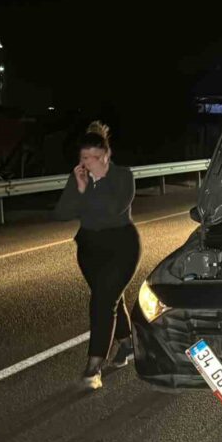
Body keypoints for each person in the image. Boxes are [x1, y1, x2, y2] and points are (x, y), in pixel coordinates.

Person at [54, 121, 140, 389]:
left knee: (102, 302)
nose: (88, 163)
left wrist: (92, 191)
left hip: (122, 246)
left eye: (93, 158)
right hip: (89, 249)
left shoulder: (123, 176)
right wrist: (80, 188)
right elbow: (61, 213)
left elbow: (113, 209)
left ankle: (94, 367)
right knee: (110, 298)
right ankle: (126, 345)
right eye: (83, 158)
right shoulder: (78, 179)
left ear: (106, 156)